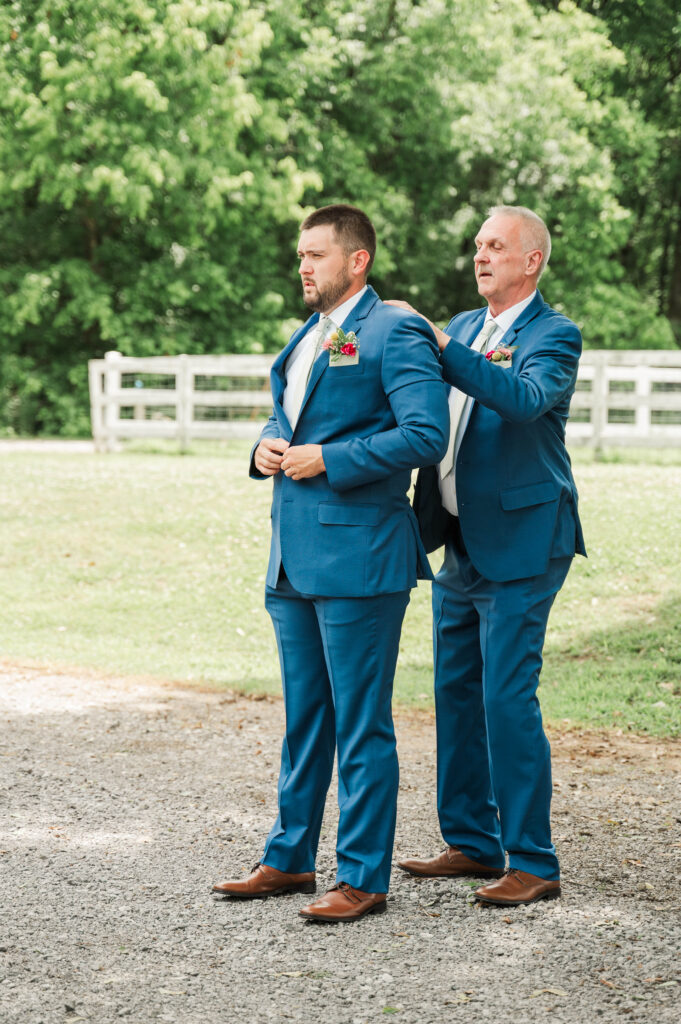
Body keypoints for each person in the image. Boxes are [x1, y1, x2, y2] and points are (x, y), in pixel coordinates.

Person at [212, 204, 449, 922]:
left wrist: (331, 459)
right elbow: (287, 419)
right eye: (300, 255)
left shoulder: (395, 330)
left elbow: (423, 433)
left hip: (360, 559)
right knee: (304, 719)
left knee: (360, 724)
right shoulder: (305, 337)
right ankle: (287, 860)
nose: (303, 266)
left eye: (316, 254)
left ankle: (363, 877)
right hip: (291, 560)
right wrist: (264, 446)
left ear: (357, 260)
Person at [392, 205, 586, 906]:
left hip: (526, 541)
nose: (480, 256)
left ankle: (532, 861)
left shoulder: (552, 334)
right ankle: (472, 841)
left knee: (505, 698)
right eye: (476, 245)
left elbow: (524, 399)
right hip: (458, 540)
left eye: (495, 246)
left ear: (530, 260)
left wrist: (443, 346)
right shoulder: (468, 327)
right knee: (456, 694)